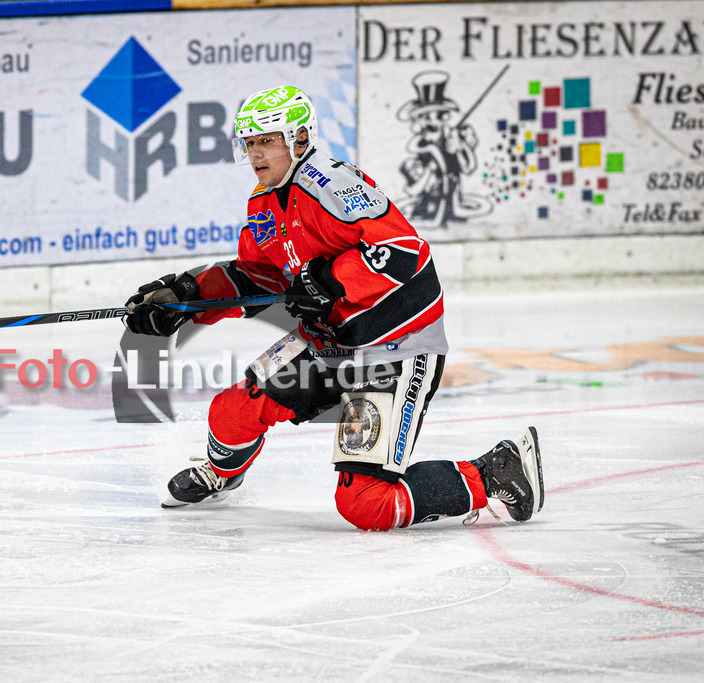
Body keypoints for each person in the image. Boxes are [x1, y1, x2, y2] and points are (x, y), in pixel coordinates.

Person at [123, 86, 543, 530]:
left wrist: (329, 279)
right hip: (333, 343)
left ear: (299, 139)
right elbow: (259, 277)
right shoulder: (264, 200)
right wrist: (186, 299)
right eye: (249, 144)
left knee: (366, 504)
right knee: (232, 411)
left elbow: (403, 252)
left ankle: (496, 473)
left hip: (394, 349)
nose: (256, 155)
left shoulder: (334, 185)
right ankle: (224, 475)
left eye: (267, 141)